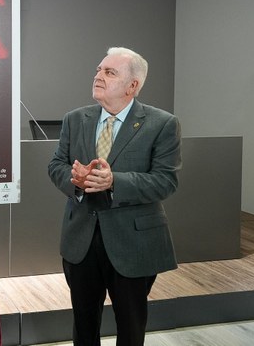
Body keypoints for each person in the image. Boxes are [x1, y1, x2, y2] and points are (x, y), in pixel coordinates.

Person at [48, 47, 181, 346]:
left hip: (133, 243)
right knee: (84, 326)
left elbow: (165, 181)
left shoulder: (162, 123)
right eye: (99, 70)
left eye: (110, 72)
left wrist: (113, 182)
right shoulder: (75, 119)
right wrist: (76, 181)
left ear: (132, 85)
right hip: (80, 240)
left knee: (131, 328)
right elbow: (56, 165)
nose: (98, 76)